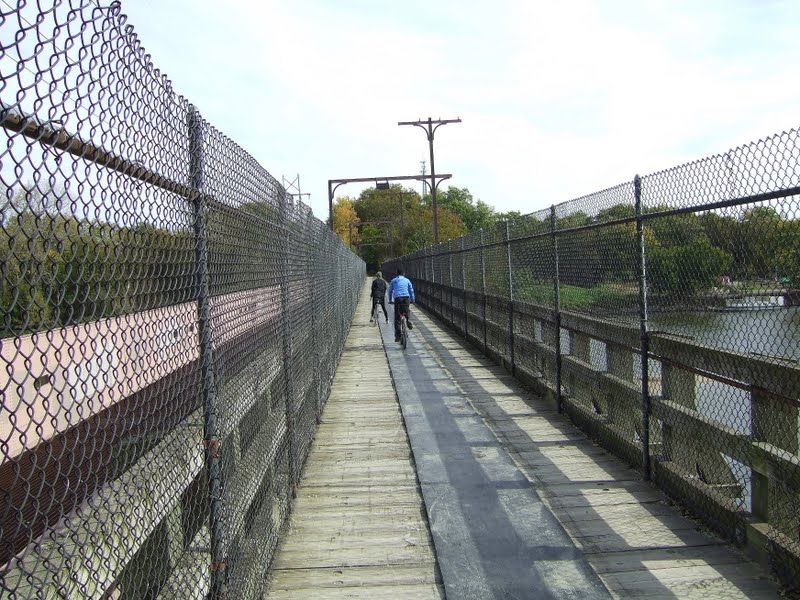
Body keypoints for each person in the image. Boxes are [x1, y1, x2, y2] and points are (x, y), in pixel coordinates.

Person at [388, 268, 415, 343]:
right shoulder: (407, 280)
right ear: (404, 273)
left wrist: (390, 300)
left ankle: (398, 335)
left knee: (397, 317)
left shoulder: (394, 280)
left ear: (397, 273)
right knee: (406, 310)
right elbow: (411, 290)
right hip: (406, 298)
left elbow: (390, 291)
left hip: (398, 298)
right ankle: (408, 319)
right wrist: (413, 299)